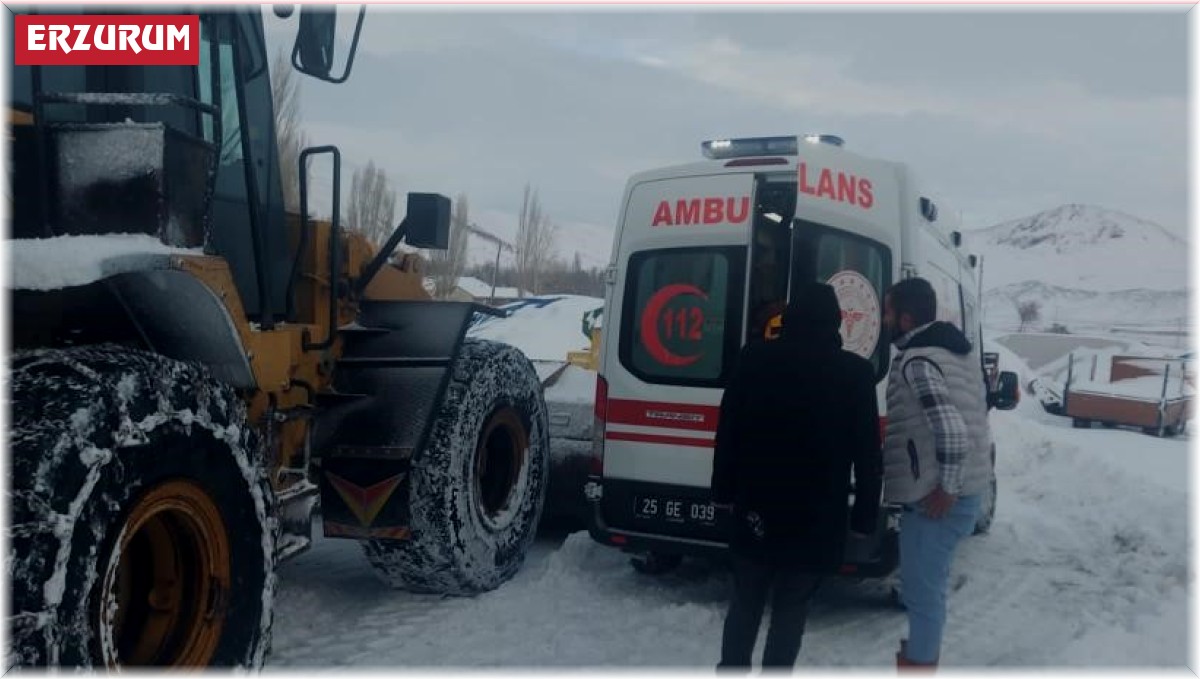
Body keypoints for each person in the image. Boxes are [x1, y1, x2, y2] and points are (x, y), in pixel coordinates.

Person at [712, 281, 883, 670]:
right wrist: (865, 516)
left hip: (756, 510)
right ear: (836, 322)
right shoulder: (856, 374)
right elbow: (866, 453)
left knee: (745, 602)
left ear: (788, 318)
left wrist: (722, 494)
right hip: (817, 518)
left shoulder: (753, 359)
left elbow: (729, 433)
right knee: (791, 609)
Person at [881, 277, 993, 670]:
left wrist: (947, 488)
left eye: (889, 311)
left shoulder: (919, 361)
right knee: (928, 592)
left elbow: (951, 430)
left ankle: (918, 664)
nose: (884, 318)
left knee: (923, 597)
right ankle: (919, 657)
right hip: (964, 495)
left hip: (937, 501)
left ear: (907, 318)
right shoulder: (958, 355)